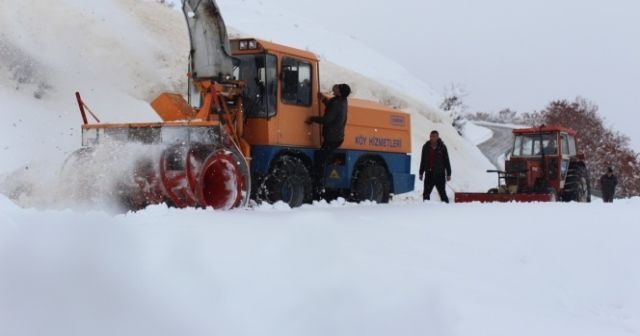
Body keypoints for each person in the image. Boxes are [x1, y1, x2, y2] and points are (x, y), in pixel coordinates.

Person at [306, 83, 351, 190]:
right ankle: (319, 183)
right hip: (336, 137)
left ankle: (319, 186)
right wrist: (323, 99)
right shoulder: (341, 101)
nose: (335, 86)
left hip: (332, 138)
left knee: (320, 160)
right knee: (322, 159)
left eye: (338, 87)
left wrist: (312, 119)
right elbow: (332, 106)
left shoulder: (337, 104)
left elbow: (327, 119)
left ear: (339, 92)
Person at [419, 130, 451, 203]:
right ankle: (427, 210)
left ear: (437, 137)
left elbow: (447, 161)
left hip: (439, 174)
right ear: (429, 137)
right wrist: (421, 173)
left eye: (434, 136)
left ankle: (447, 209)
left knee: (442, 194)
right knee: (426, 194)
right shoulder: (426, 147)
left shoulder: (442, 147)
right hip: (429, 174)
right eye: (431, 136)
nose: (432, 138)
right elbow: (423, 160)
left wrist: (448, 174)